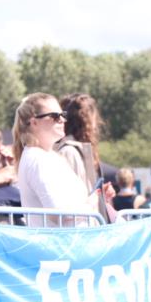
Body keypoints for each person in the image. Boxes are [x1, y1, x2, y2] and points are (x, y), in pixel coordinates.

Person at [13, 93, 101, 227]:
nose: (62, 120)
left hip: (70, 241)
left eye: (62, 115)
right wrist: (91, 203)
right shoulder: (37, 159)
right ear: (34, 122)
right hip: (60, 244)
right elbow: (59, 215)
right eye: (55, 116)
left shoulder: (48, 156)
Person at [55, 93, 117, 222]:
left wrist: (100, 194)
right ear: (88, 120)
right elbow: (71, 200)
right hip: (80, 230)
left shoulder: (75, 150)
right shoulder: (69, 152)